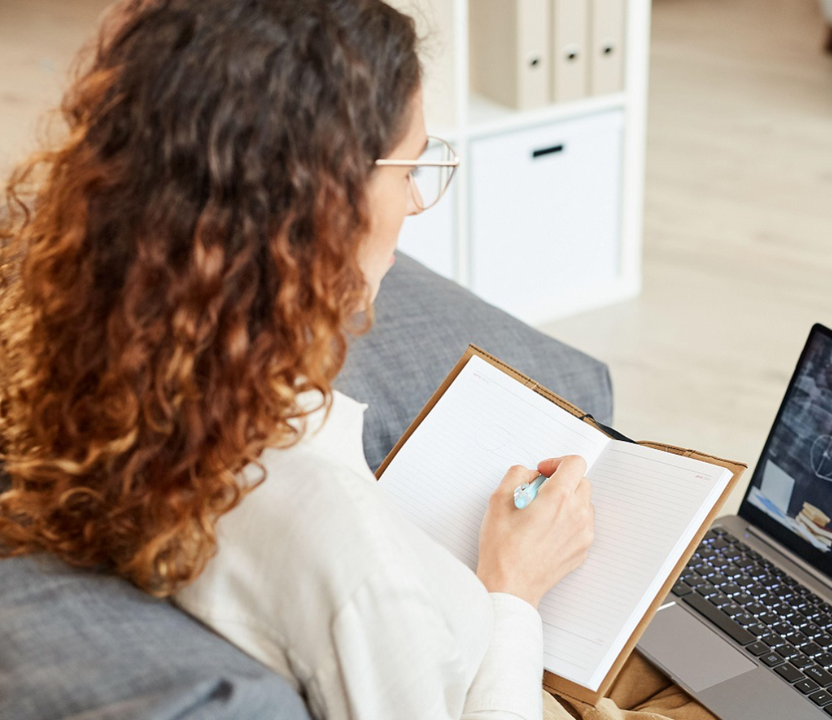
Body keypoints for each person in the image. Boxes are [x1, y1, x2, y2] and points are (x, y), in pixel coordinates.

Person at [0, 1, 593, 718]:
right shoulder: (349, 560)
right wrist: (514, 586)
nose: (415, 201)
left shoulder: (88, 364)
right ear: (322, 211)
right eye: (409, 166)